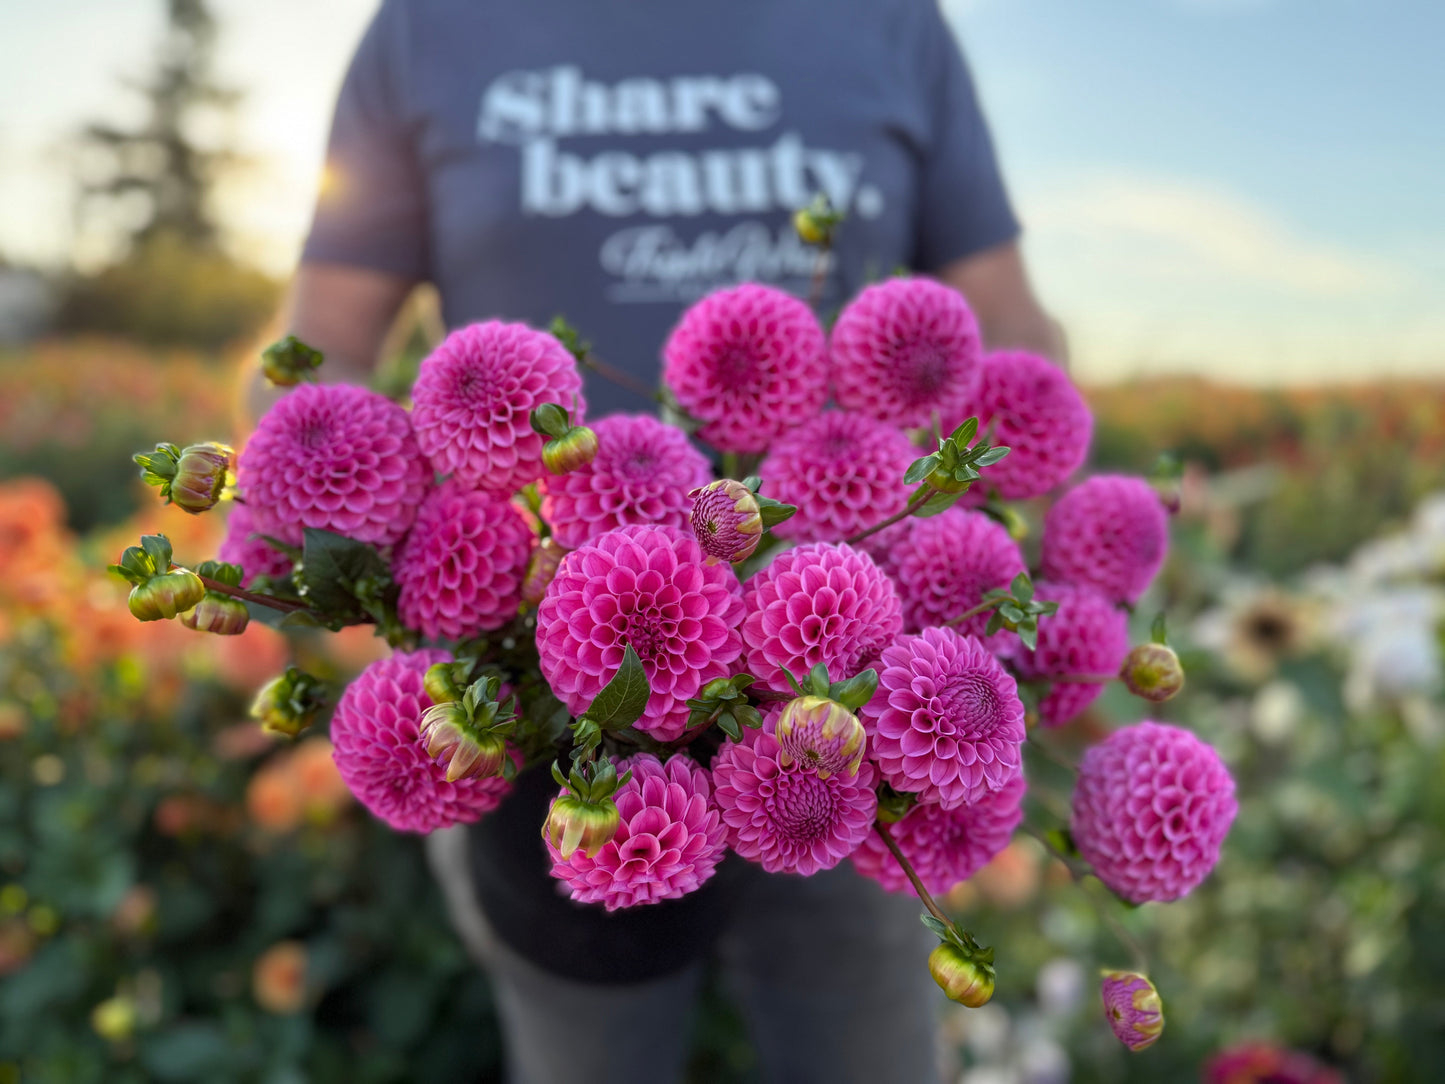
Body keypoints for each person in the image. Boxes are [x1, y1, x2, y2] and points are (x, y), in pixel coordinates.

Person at [277, 1, 1064, 1080]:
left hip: (855, 723)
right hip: (548, 729)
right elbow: (318, 341)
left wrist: (1053, 549)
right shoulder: (432, 25)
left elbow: (1007, 326)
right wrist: (364, 542)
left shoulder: (890, 25)